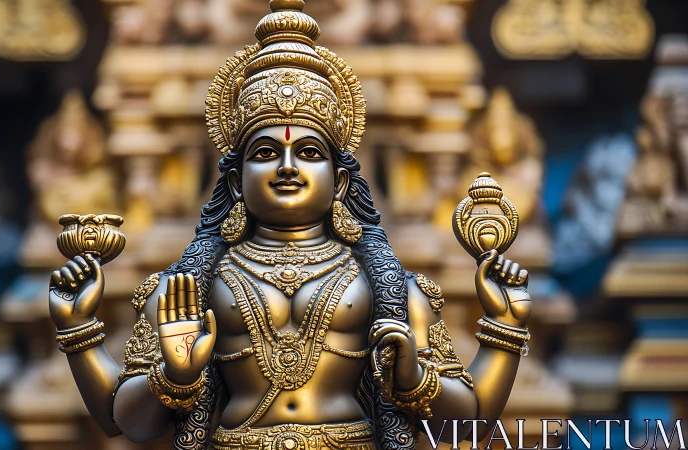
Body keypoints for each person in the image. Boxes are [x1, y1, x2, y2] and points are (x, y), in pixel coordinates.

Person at [48, 1, 532, 448]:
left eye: (308, 152)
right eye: (264, 153)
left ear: (340, 181)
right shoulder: (188, 290)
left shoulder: (389, 290)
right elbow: (124, 420)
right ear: (236, 182)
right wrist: (91, 337)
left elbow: (470, 419)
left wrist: (499, 330)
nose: (286, 165)